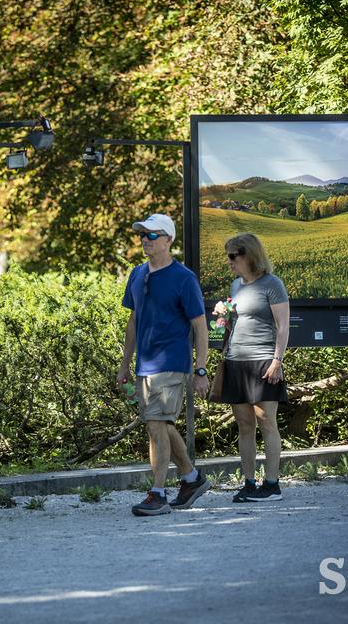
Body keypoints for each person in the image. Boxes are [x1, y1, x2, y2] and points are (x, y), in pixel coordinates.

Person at [117, 213, 211, 516]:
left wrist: (200, 369)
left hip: (173, 363)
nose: (145, 240)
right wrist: (125, 364)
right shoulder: (137, 274)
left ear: (168, 240)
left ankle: (157, 493)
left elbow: (200, 326)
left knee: (156, 425)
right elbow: (133, 321)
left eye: (152, 235)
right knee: (160, 424)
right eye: (142, 235)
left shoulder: (184, 278)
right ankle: (192, 478)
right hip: (145, 366)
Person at [212, 232, 290, 502]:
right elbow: (236, 322)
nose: (229, 262)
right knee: (244, 425)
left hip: (263, 362)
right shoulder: (236, 286)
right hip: (236, 361)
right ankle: (248, 483)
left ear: (249, 255)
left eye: (233, 256)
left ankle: (272, 485)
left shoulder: (272, 284)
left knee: (266, 422)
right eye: (228, 256)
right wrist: (224, 317)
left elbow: (283, 327)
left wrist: (277, 360)